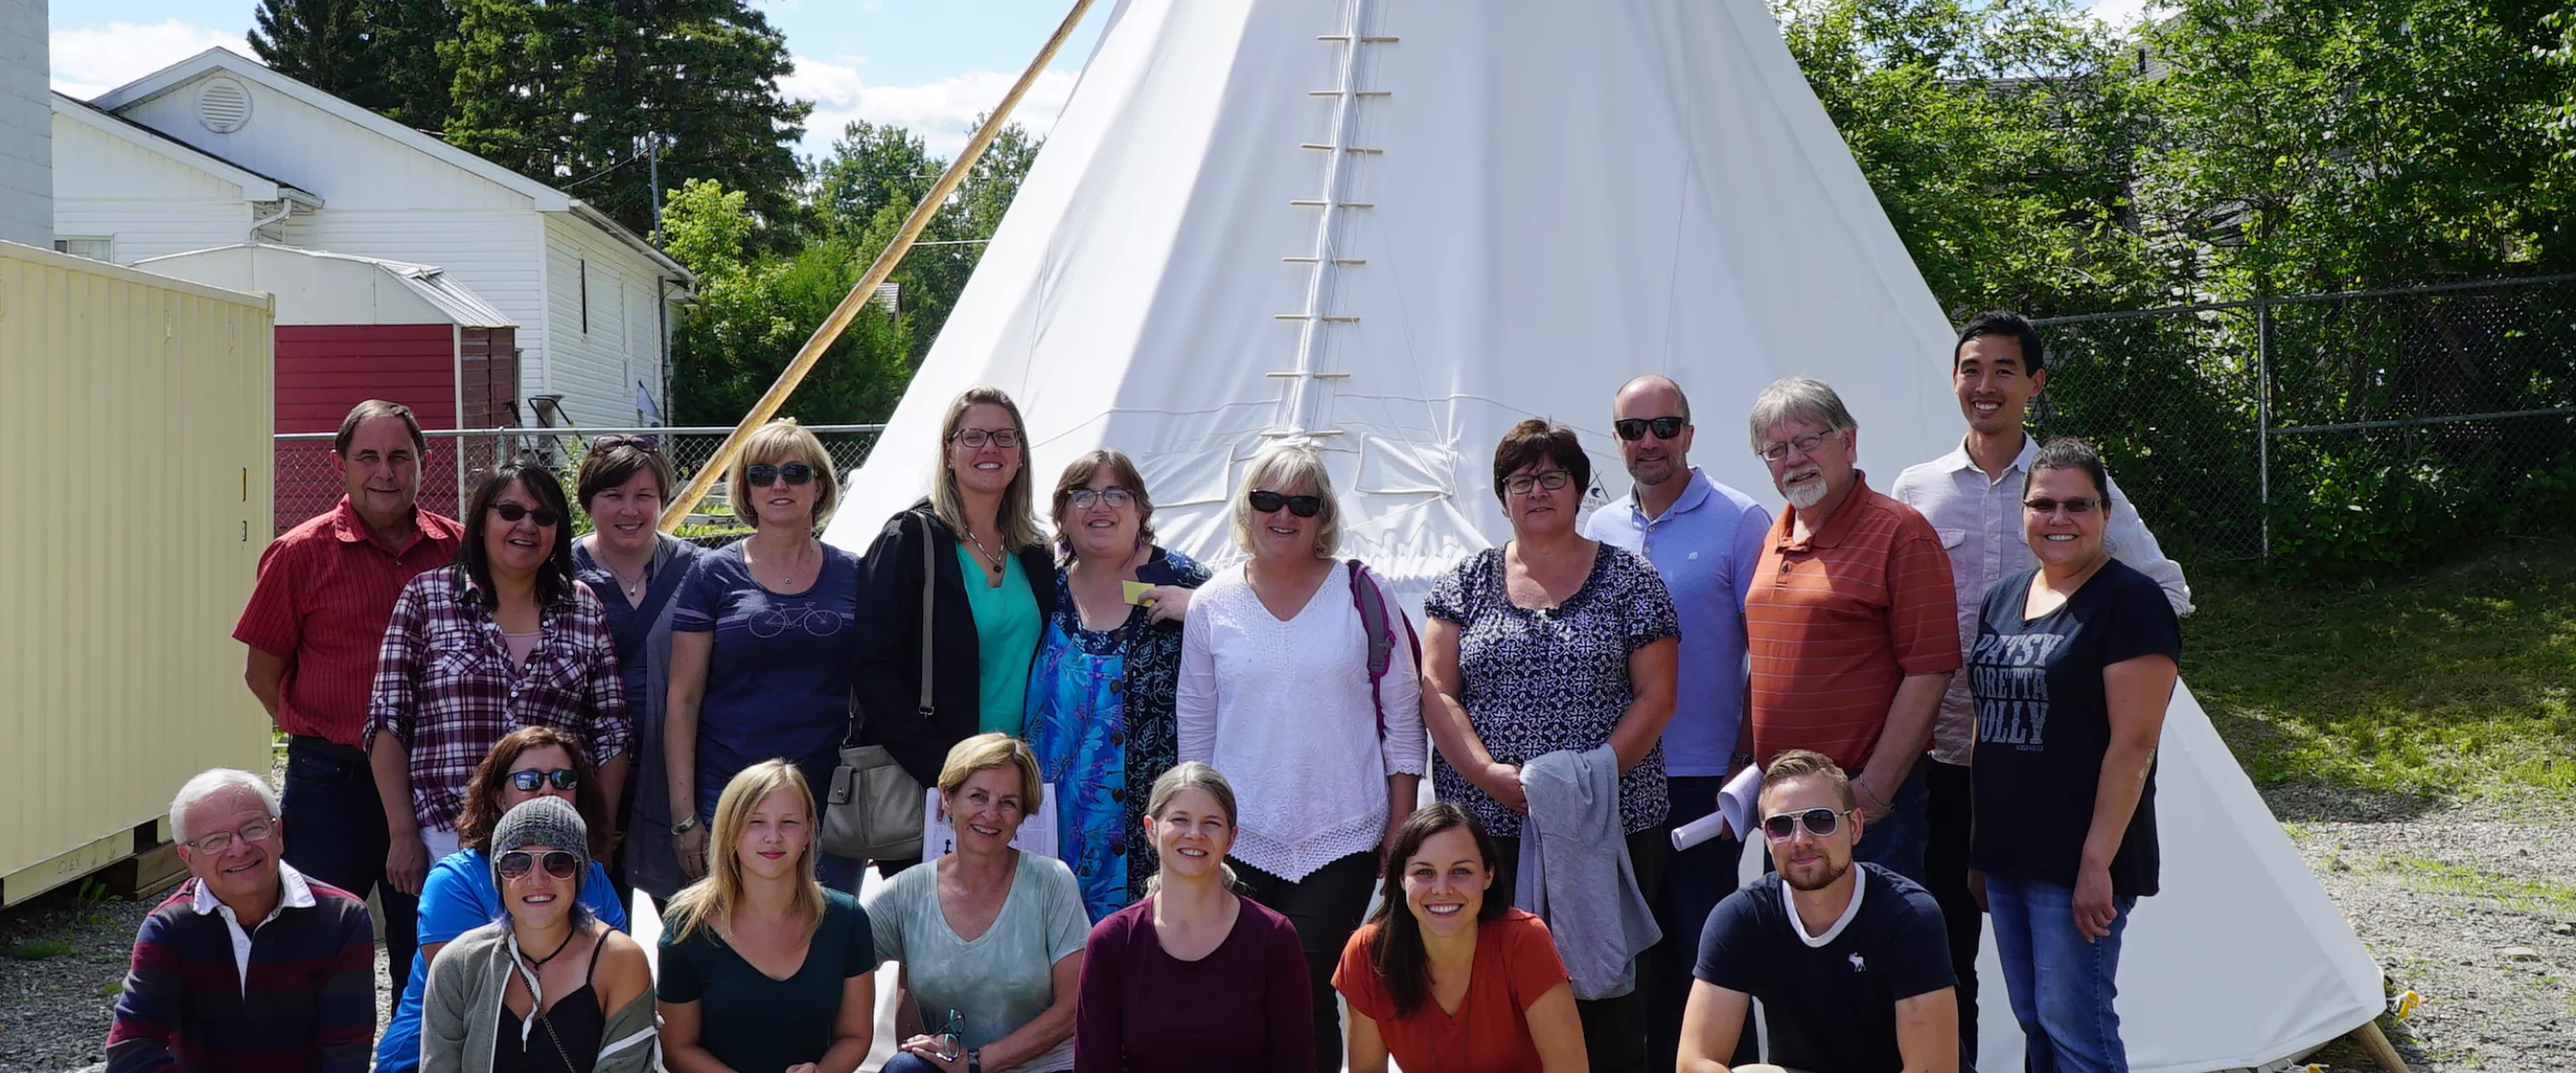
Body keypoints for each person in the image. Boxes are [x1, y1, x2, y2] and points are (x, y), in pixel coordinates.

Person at [1889, 312, 2193, 1060]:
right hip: (1958, 766)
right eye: (1971, 368)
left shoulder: (2080, 497)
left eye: (2004, 369)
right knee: (1961, 971)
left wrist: (2097, 651)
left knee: (2071, 1014)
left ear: (2035, 383)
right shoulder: (1917, 489)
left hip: (2070, 796)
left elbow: (2163, 604)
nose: (1985, 384)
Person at [1421, 419, 1679, 1070]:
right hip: (1486, 829)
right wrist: (1489, 776)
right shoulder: (1464, 583)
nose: (1536, 491)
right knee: (1493, 989)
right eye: (1520, 480)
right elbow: (1436, 689)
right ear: (1501, 495)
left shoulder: (1631, 580)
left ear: (1580, 488)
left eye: (1552, 477)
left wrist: (1586, 781)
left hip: (1611, 821)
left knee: (1609, 1001)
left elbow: (1657, 695)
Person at [1177, 442, 1425, 1071]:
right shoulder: (1211, 604)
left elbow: (1403, 719)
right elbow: (1197, 728)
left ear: (1323, 515)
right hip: (1239, 837)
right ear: (1248, 506)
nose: (1283, 515)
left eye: (1302, 503)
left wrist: (1399, 826)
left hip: (1340, 833)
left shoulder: (1363, 593)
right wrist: (1194, 829)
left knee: (1307, 989)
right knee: (1237, 994)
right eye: (1268, 499)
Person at [1968, 436, 2182, 1073]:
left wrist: (2097, 864)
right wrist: (1981, 848)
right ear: (2023, 512)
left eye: (2077, 505)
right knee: (2035, 1020)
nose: (2059, 519)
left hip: (2078, 860)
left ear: (2105, 514)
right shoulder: (2002, 598)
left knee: (2076, 1027)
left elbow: (2135, 744)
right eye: (2043, 504)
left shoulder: (2132, 602)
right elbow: (1986, 726)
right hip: (2008, 853)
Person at [234, 399, 461, 991]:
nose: (384, 472)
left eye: (399, 457)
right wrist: (318, 733)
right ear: (341, 464)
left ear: (422, 463)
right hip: (332, 789)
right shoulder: (299, 554)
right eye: (368, 457)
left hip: (434, 784)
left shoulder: (458, 551)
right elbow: (262, 672)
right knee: (312, 946)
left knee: (431, 950)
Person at [1578, 375, 1772, 1069]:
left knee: (1708, 958)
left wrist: (1741, 768)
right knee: (1634, 964)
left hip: (1701, 781)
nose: (1650, 441)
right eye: (1634, 430)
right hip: (1618, 780)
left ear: (1691, 433)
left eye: (1665, 426)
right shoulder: (1597, 528)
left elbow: (1769, 653)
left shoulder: (1742, 520)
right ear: (1618, 441)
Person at [1742, 377, 1960, 885]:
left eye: (1807, 441)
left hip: (1862, 811)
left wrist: (1874, 792)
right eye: (1775, 450)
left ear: (1849, 440)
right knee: (1797, 955)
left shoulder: (1900, 532)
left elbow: (1930, 668)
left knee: (1872, 956)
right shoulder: (1778, 532)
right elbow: (1769, 661)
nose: (1793, 459)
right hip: (1786, 808)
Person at [366, 463, 631, 872]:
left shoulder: (582, 606)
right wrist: (401, 833)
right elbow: (389, 720)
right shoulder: (426, 597)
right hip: (446, 838)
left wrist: (599, 834)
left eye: (543, 517)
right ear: (481, 520)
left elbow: (611, 730)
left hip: (556, 843)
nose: (527, 525)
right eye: (510, 512)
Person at [855, 386, 1060, 878]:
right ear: (948, 451)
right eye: (973, 436)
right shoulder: (909, 540)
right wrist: (948, 776)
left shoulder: (1034, 551)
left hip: (1018, 788)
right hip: (933, 785)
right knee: (933, 940)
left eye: (1004, 437)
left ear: (1019, 456)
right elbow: (872, 670)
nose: (989, 448)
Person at [667, 418, 868, 891]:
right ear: (745, 489)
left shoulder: (856, 573)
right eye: (762, 474)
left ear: (819, 485)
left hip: (829, 797)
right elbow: (683, 700)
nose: (779, 484)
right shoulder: (710, 574)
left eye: (795, 472)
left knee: (827, 945)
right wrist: (683, 818)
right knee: (737, 945)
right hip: (731, 796)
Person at [1678, 750, 1959, 1073]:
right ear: (1767, 839)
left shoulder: (1909, 916)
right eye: (1781, 826)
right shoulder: (1742, 918)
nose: (1800, 840)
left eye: (1820, 819)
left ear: (1854, 826)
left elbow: (1932, 1069)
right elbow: (1694, 1063)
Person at [378, 728, 632, 1073]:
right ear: (499, 797)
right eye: (529, 780)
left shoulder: (595, 877)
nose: (548, 789)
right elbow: (475, 1004)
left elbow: (617, 987)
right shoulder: (454, 882)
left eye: (564, 778)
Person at [1026, 450, 1211, 920]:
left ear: (1141, 509)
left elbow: (1251, 656)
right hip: (1057, 828)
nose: (1100, 506)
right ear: (1062, 514)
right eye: (1083, 494)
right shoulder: (1041, 587)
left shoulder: (1186, 581)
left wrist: (1205, 611)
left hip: (1160, 829)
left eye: (1116, 494)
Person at [106, 769, 376, 1073]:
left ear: (279, 833)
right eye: (215, 840)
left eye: (253, 828)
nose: (239, 849)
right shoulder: (168, 928)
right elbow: (131, 1051)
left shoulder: (342, 919)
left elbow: (346, 1055)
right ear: (188, 858)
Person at [868, 734, 1089, 1073]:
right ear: (947, 798)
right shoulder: (904, 893)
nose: (991, 814)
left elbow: (1074, 1005)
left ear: (1022, 815)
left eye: (1008, 803)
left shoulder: (1052, 882)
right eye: (978, 796)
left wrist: (976, 1062)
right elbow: (830, 966)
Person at [1074, 762, 1312, 1072]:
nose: (1195, 834)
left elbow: (1296, 1064)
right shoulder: (1113, 941)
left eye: (1211, 823)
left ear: (1231, 838)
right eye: (1180, 820)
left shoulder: (1273, 937)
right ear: (1151, 829)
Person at [1333, 803, 1587, 1073]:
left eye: (1461, 871)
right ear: (1401, 879)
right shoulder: (1367, 952)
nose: (1442, 890)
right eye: (1424, 872)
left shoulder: (1525, 940)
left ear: (1488, 875)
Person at [657, 760, 877, 1073]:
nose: (773, 836)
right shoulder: (688, 925)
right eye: (755, 822)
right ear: (730, 832)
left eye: (788, 822)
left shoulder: (847, 919)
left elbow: (855, 1035)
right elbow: (677, 1048)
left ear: (808, 832)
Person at [421, 797, 656, 1073]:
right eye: (516, 863)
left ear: (579, 873)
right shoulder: (458, 965)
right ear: (499, 876)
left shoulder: (620, 961)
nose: (536, 879)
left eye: (557, 863)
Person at [570, 434, 707, 907]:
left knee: (691, 926)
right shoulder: (558, 572)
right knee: (595, 925)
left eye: (644, 496)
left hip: (675, 776)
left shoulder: (700, 572)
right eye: (613, 496)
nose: (630, 510)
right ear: (588, 501)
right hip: (587, 778)